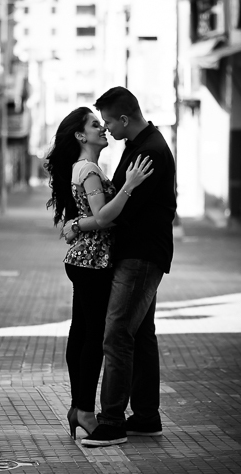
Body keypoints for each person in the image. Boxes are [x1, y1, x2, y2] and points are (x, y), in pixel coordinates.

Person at [62, 87, 177, 447]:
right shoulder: (138, 145)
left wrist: (78, 224)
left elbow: (116, 214)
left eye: (109, 122)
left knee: (115, 335)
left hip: (140, 256)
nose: (107, 129)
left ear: (124, 119)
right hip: (136, 254)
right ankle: (145, 417)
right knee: (139, 334)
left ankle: (111, 421)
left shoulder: (149, 151)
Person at [44, 106, 153, 440]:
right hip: (92, 264)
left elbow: (89, 216)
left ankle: (78, 408)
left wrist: (76, 224)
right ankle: (85, 412)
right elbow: (104, 216)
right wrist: (129, 186)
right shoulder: (89, 169)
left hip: (82, 261)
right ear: (81, 136)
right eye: (95, 125)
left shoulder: (80, 167)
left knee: (81, 333)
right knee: (93, 337)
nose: (102, 128)